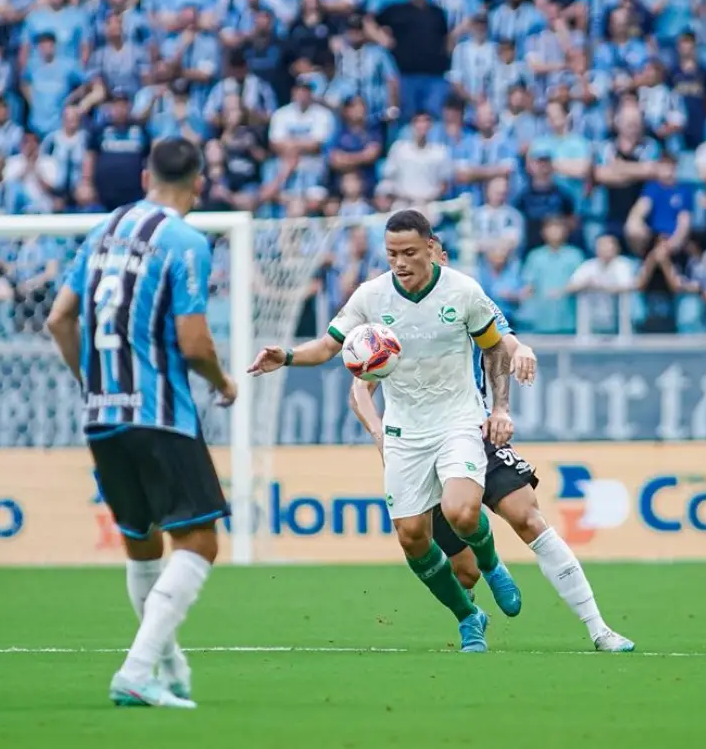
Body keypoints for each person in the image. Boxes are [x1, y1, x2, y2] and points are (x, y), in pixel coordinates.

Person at [250, 209, 520, 653]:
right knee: (412, 537)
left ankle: (492, 565)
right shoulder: (371, 296)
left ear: (431, 248)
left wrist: (501, 406)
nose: (400, 262)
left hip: (457, 419)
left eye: (409, 252)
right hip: (404, 432)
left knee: (461, 512)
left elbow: (494, 349)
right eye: (392, 253)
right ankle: (469, 617)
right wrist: (289, 356)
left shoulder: (464, 291)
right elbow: (329, 345)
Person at [349, 235, 634, 652]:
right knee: (463, 572)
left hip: (471, 431)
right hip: (419, 443)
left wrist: (522, 350)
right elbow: (362, 385)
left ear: (439, 257)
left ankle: (599, 629)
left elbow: (504, 340)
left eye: (427, 257)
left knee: (528, 517)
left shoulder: (465, 299)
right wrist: (379, 435)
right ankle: (470, 618)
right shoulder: (391, 317)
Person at [46, 137, 238, 710]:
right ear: (198, 184)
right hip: (159, 414)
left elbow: (58, 319)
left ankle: (170, 669)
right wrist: (222, 382)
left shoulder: (102, 231)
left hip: (102, 414)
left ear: (145, 178)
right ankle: (136, 670)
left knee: (142, 544)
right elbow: (194, 342)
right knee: (199, 541)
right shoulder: (185, 241)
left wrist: (93, 381)